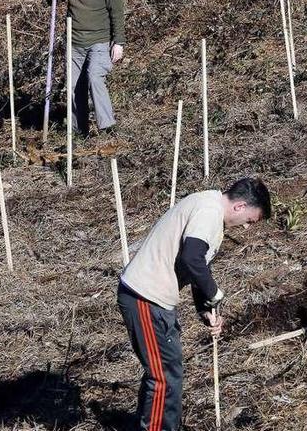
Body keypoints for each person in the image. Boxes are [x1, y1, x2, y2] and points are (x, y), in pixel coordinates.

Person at [117, 178, 272, 431]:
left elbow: (198, 267)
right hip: (144, 296)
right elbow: (192, 257)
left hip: (155, 298)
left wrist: (206, 309)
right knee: (164, 377)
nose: (246, 228)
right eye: (250, 221)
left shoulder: (211, 213)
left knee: (167, 371)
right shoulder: (209, 211)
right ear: (240, 206)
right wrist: (215, 292)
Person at [48, 0, 126, 136]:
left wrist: (119, 42)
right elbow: (52, 1)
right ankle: (78, 130)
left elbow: (116, 11)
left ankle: (107, 127)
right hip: (75, 42)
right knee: (75, 86)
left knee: (94, 76)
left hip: (99, 40)